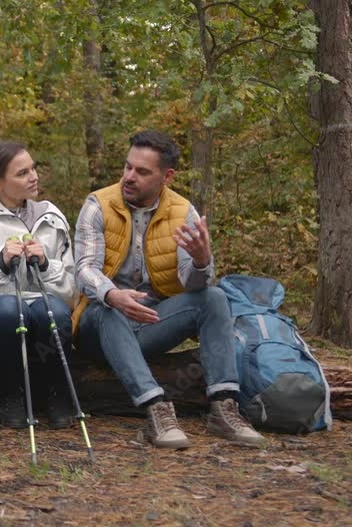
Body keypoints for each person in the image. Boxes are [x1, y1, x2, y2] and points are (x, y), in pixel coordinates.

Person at [73, 129, 264, 448]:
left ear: (167, 176)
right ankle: (156, 409)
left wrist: (202, 261)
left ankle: (224, 407)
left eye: (142, 171)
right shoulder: (98, 205)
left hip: (151, 322)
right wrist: (113, 295)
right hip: (100, 324)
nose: (129, 177)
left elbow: (195, 284)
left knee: (214, 297)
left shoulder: (182, 212)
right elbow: (84, 270)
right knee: (105, 308)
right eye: (127, 167)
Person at [0, 141, 77, 429]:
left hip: (43, 311)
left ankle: (59, 395)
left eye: (33, 168)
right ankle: (12, 395)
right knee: (13, 309)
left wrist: (46, 265)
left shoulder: (52, 217)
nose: (33, 176)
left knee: (56, 314)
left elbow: (72, 294)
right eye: (22, 173)